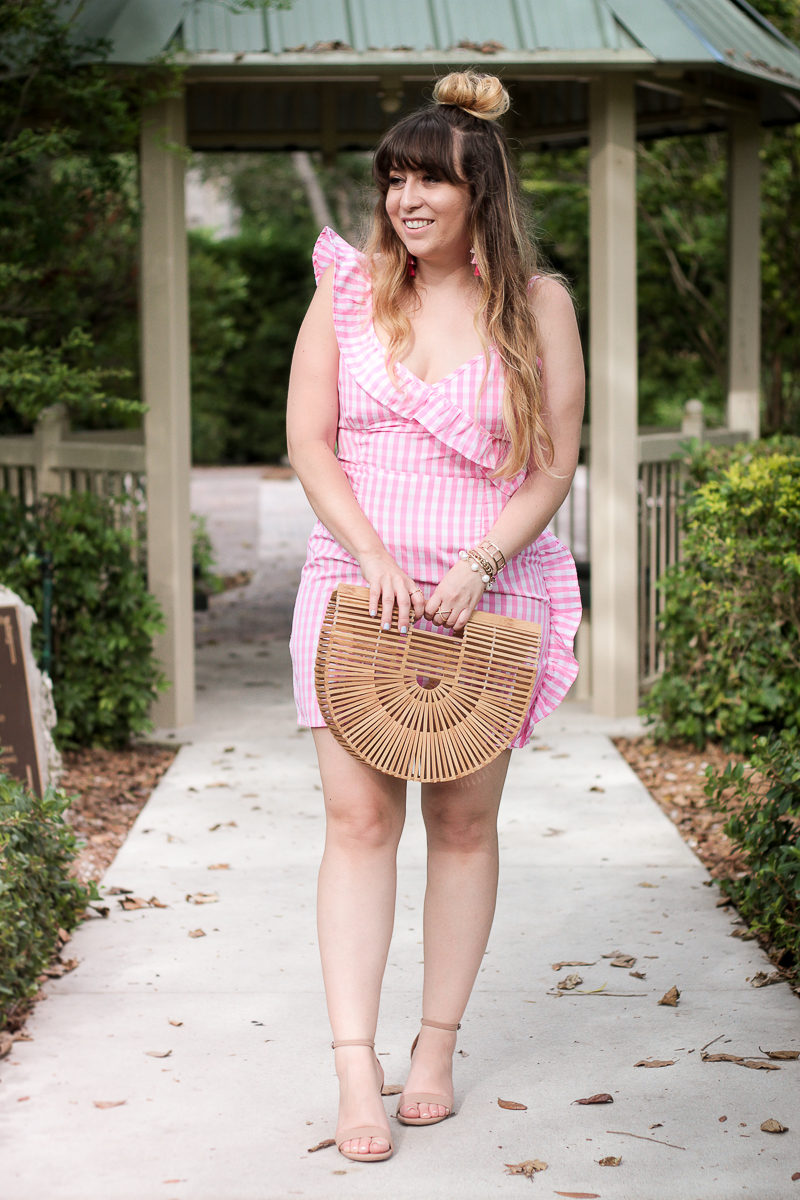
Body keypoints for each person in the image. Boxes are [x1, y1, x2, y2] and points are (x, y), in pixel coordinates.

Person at [286, 70, 584, 1163]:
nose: (405, 197)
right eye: (393, 178)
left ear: (479, 190)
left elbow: (550, 463)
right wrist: (369, 556)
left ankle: (433, 1050)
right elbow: (311, 439)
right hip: (355, 587)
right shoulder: (347, 286)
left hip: (485, 590)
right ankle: (355, 1067)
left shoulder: (537, 304)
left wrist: (478, 559)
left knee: (461, 825)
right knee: (358, 823)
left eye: (429, 179)